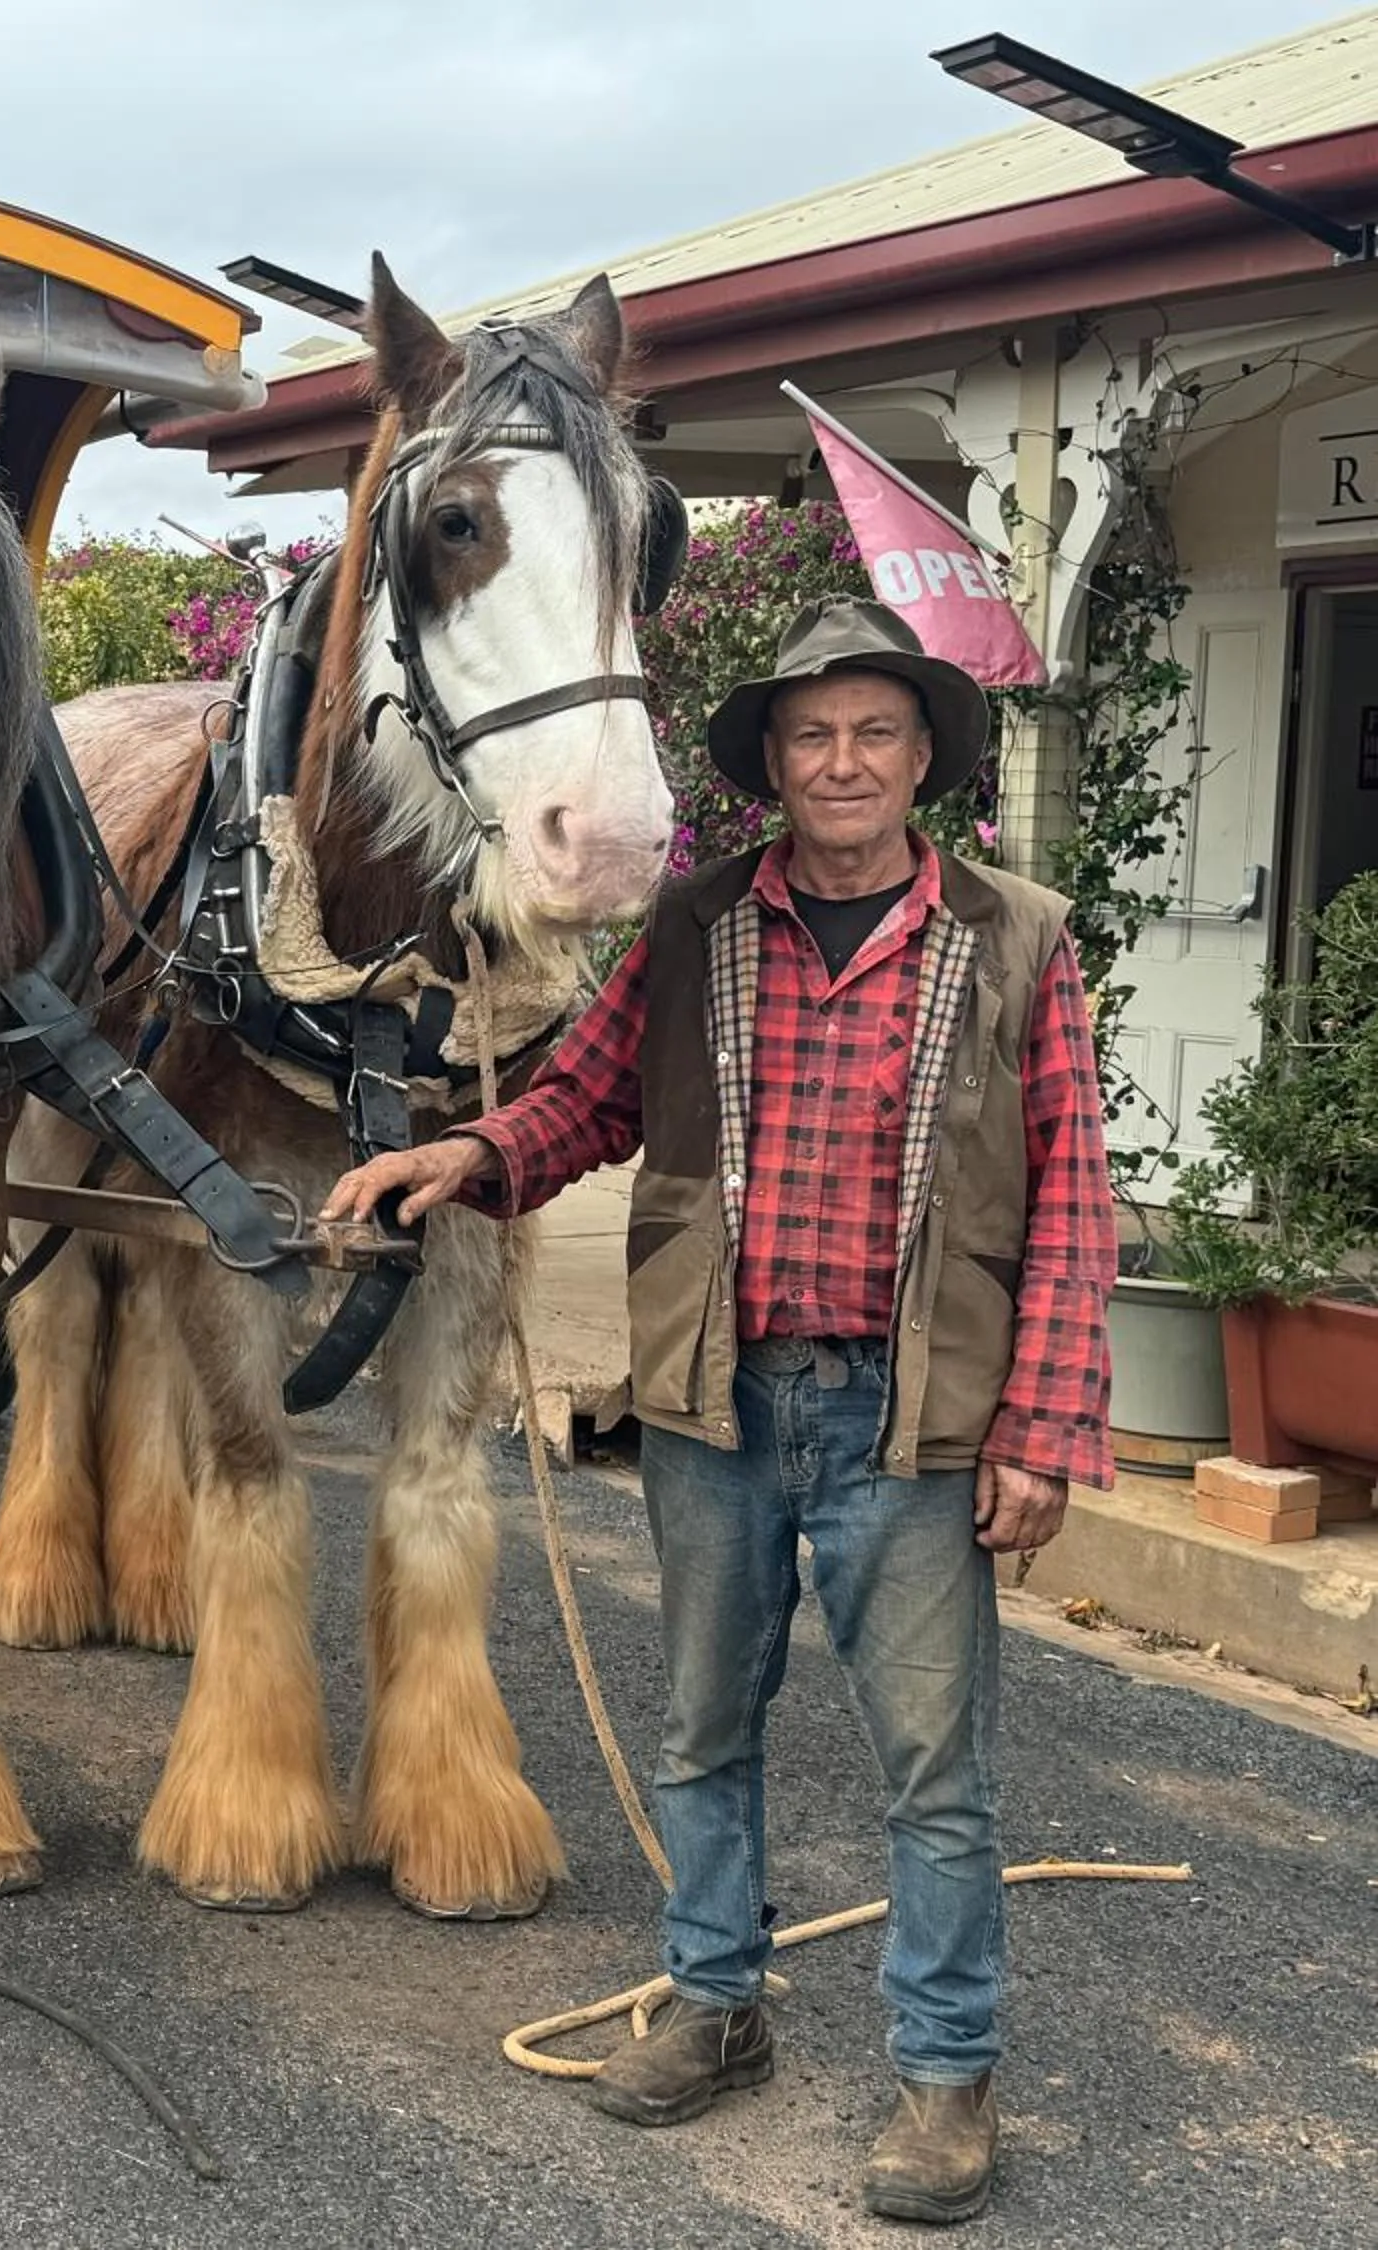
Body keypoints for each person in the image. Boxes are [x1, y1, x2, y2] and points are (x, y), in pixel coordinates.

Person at [325, 597, 1113, 2226]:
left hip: (916, 1418)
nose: (841, 762)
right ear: (768, 761)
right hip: (717, 1396)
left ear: (923, 760)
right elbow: (586, 1096)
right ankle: (713, 1999)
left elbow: (1078, 1206)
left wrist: (1041, 1428)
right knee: (702, 1730)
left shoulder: (1019, 936)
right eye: (810, 735)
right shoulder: (696, 927)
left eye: (874, 733)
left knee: (933, 1771)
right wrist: (460, 1158)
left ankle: (947, 2076)